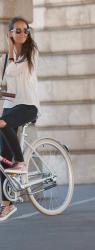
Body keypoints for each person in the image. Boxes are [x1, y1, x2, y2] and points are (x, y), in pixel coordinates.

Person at [0, 16, 41, 221]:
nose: (23, 33)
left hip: (28, 106)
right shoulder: (4, 59)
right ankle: (7, 205)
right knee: (3, 159)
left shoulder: (31, 52)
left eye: (25, 30)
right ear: (10, 32)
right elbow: (6, 87)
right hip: (10, 107)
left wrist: (10, 46)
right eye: (18, 30)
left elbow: (19, 69)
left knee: (2, 124)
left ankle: (22, 162)